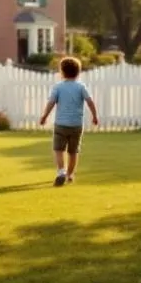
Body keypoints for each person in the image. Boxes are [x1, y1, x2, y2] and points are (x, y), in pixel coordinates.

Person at [38, 56, 100, 187]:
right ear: (78, 72)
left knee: (58, 150)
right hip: (76, 125)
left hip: (61, 124)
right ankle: (70, 175)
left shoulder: (58, 87)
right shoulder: (81, 86)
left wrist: (44, 116)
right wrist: (94, 116)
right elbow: (90, 102)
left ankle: (61, 171)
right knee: (73, 151)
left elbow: (51, 102)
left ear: (62, 72)